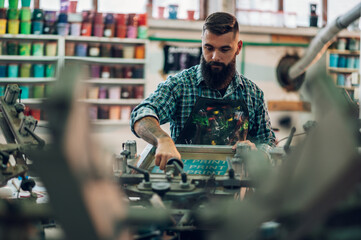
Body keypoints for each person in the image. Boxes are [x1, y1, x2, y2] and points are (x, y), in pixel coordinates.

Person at [130, 12, 276, 170]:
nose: (215, 57)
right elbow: (142, 113)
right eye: (209, 48)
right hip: (184, 186)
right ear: (202, 44)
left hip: (234, 187)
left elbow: (268, 143)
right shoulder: (181, 85)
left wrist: (258, 153)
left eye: (224, 49)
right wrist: (162, 140)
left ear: (238, 48)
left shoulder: (253, 94)